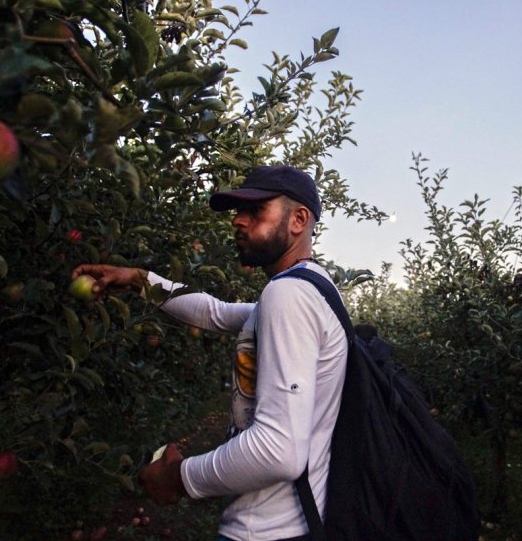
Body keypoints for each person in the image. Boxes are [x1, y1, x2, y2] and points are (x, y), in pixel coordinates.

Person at [72, 165, 348, 541]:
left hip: (264, 531)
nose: (238, 220)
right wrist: (138, 278)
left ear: (299, 219)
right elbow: (214, 312)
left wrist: (178, 477)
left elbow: (278, 450)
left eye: (255, 211)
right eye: (238, 211)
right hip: (297, 523)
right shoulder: (314, 289)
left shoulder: (289, 296)